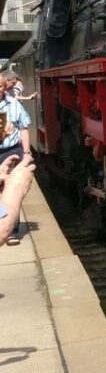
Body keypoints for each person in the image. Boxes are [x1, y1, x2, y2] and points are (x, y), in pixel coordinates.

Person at [0, 73, 34, 244]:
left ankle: (12, 229)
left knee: (12, 189)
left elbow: (24, 128)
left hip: (11, 152)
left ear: (4, 86)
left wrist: (26, 152)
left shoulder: (14, 104)